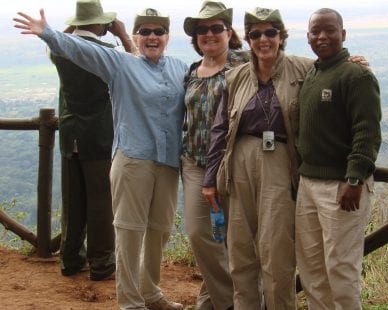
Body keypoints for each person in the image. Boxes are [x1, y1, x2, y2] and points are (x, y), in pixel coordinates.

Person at [13, 5, 187, 310]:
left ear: (167, 36)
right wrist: (48, 33)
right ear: (135, 34)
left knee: (159, 230)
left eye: (158, 31)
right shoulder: (119, 63)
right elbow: (80, 51)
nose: (152, 36)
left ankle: (151, 292)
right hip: (133, 158)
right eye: (144, 31)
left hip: (168, 161)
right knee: (130, 231)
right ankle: (131, 302)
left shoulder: (179, 69)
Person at [202, 7, 313, 309]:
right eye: (255, 34)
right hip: (239, 163)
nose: (263, 39)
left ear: (281, 36)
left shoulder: (304, 69)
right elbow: (220, 129)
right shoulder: (236, 77)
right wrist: (210, 179)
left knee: (276, 249)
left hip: (279, 162)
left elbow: (336, 76)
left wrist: (358, 64)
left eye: (270, 32)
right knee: (240, 250)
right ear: (248, 39)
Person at [295, 8, 381, 310]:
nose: (322, 36)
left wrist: (355, 178)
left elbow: (367, 131)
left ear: (342, 34)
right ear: (307, 38)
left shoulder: (356, 75)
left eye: (329, 30)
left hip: (341, 187)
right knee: (312, 269)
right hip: (308, 184)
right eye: (315, 31)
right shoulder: (313, 73)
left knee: (340, 269)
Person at [53, 0, 135, 282]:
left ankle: (70, 259)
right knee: (101, 202)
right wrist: (123, 35)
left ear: (77, 23)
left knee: (73, 200)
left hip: (69, 135)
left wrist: (71, 27)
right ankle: (101, 264)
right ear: (101, 24)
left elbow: (54, 43)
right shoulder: (107, 53)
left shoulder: (60, 52)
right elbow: (138, 68)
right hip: (99, 137)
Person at [181, 1, 248, 309]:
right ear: (196, 37)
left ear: (228, 32)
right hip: (195, 164)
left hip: (233, 164)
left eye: (216, 28)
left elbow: (289, 69)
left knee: (234, 239)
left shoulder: (244, 63)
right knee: (200, 234)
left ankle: (212, 301)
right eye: (202, 30)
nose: (209, 34)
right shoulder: (192, 72)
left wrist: (350, 62)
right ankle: (231, 302)